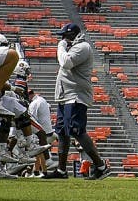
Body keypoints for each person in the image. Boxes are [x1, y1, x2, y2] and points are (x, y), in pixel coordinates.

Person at [46, 21, 109, 180]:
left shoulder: (82, 47)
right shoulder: (74, 47)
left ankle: (101, 166)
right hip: (66, 96)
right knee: (62, 132)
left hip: (75, 96)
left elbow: (66, 63)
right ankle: (61, 170)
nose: (62, 39)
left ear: (72, 35)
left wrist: (60, 47)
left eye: (64, 36)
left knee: (76, 130)